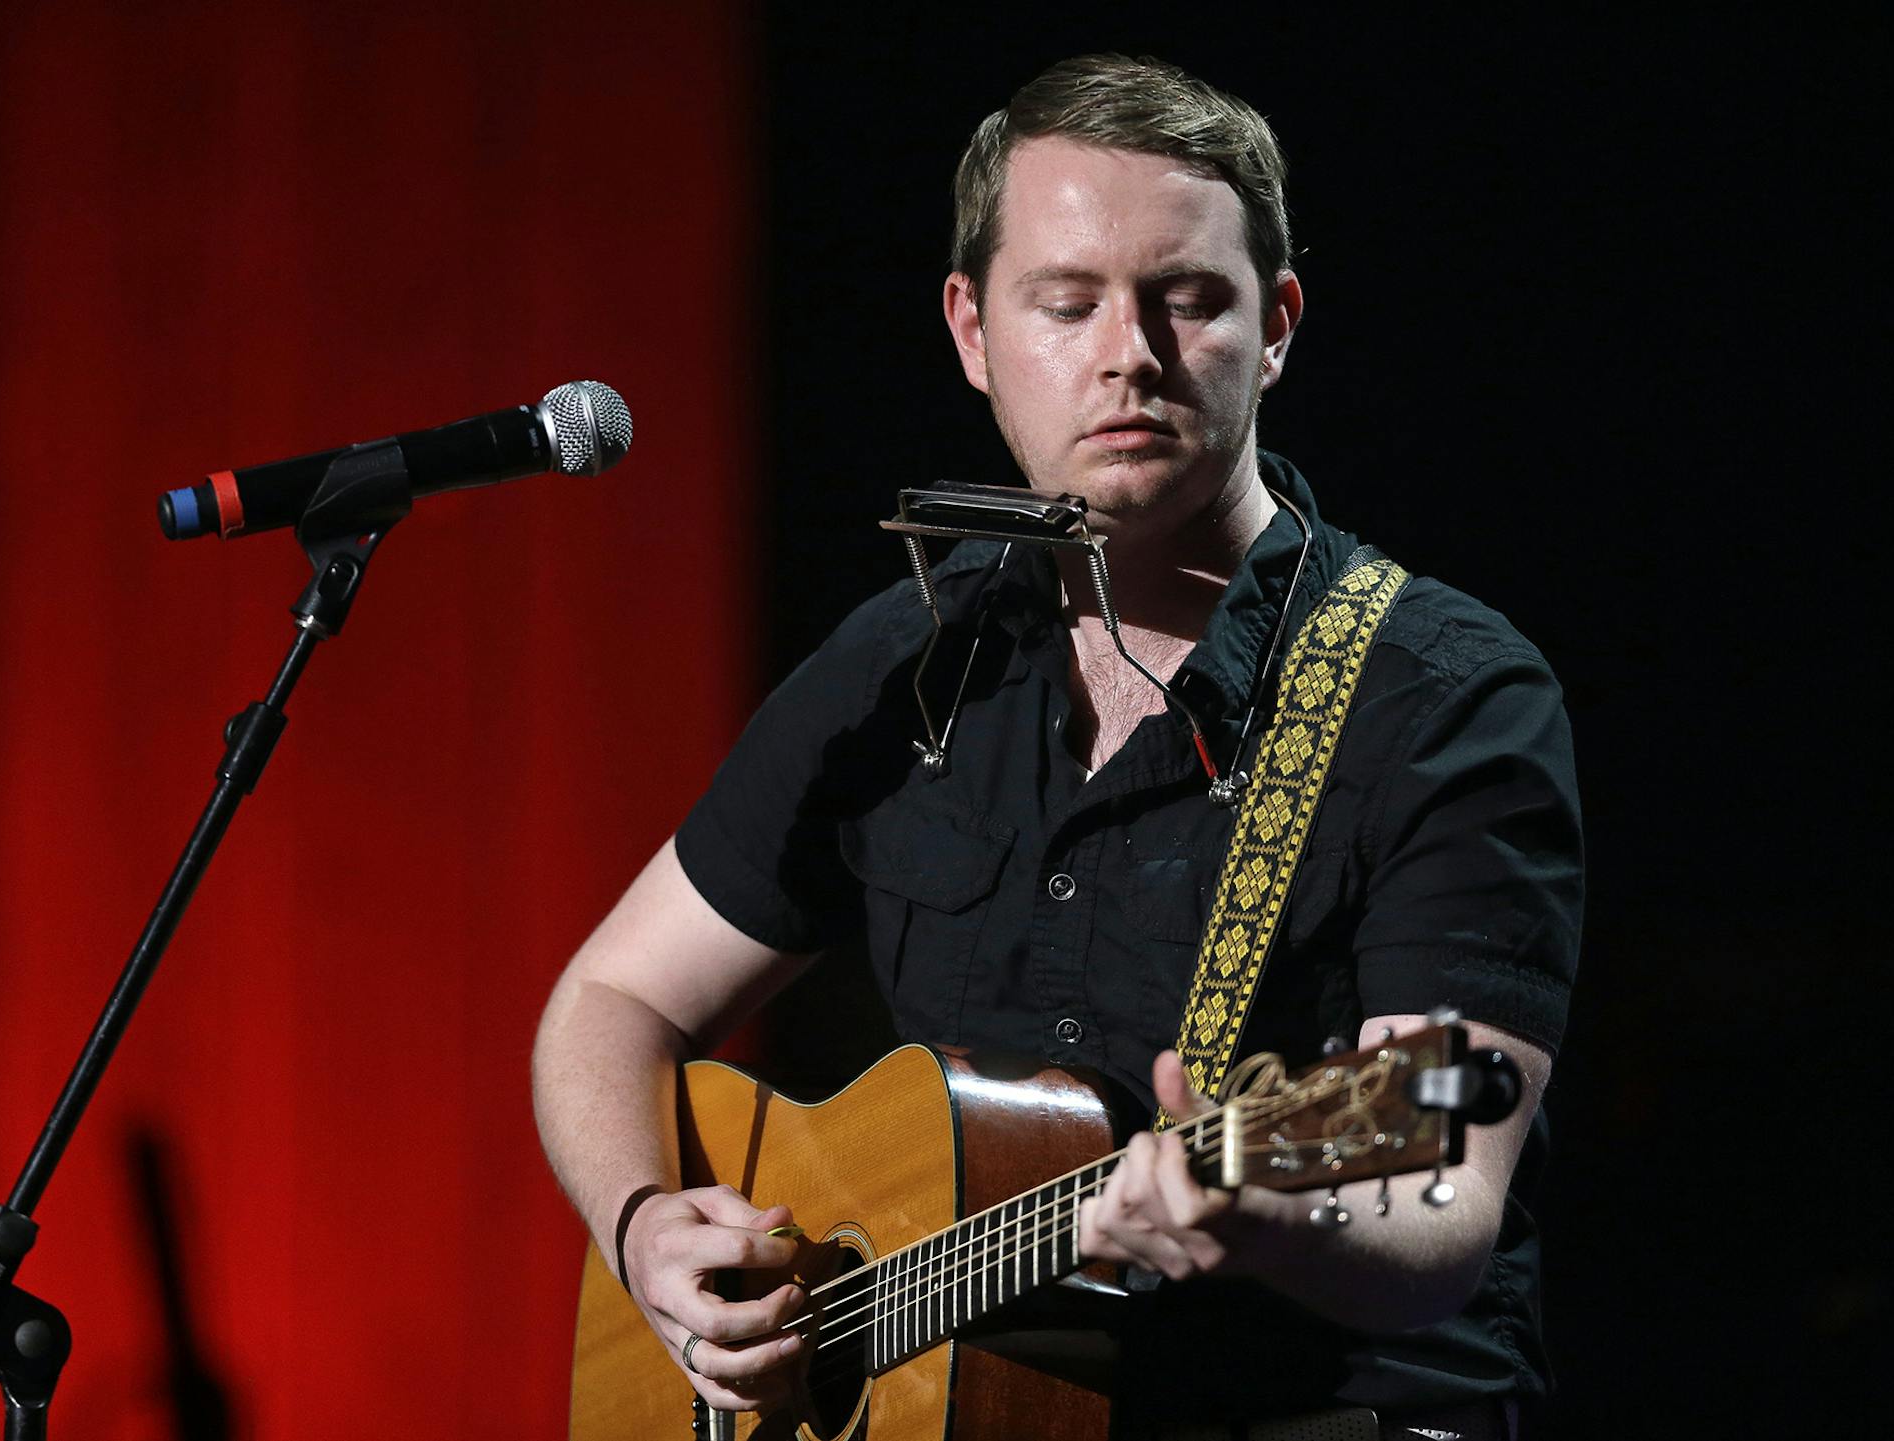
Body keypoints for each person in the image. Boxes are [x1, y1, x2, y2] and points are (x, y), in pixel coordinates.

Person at [533, 53, 1581, 1439]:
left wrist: (1265, 1212)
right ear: (974, 331)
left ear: (1275, 327)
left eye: (1187, 298)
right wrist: (645, 1223)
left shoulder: (1440, 699)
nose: (1128, 352)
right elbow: (609, 999)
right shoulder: (910, 656)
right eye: (1069, 302)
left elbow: (1441, 1198)